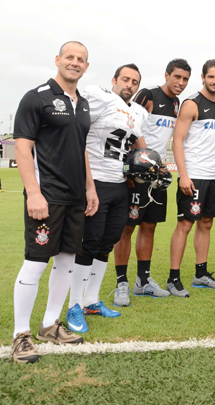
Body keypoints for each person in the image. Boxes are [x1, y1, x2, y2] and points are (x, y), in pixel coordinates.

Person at [11, 41, 96, 363]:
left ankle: (49, 324)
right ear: (58, 60)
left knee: (66, 263)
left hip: (75, 198)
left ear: (86, 67)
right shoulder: (37, 98)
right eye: (70, 57)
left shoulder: (83, 104)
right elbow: (22, 149)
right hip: (47, 197)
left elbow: (82, 149)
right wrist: (33, 193)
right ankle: (21, 335)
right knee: (35, 262)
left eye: (81, 60)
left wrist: (90, 188)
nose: (75, 63)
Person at [65, 64, 148, 333]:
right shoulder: (100, 97)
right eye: (125, 79)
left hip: (120, 184)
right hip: (95, 181)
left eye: (135, 81)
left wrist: (150, 164)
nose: (130, 85)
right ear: (114, 80)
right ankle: (73, 304)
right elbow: (78, 129)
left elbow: (137, 145)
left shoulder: (139, 112)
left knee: (107, 243)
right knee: (88, 244)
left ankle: (91, 300)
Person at [112, 59, 191, 306]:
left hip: (156, 175)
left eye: (185, 79)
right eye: (176, 77)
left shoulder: (177, 103)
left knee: (150, 225)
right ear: (167, 75)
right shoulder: (148, 95)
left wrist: (161, 165)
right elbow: (130, 126)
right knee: (127, 227)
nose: (180, 83)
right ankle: (121, 282)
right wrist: (146, 159)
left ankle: (142, 281)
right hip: (137, 172)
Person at [167, 60, 215, 297]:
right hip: (194, 176)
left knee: (207, 223)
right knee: (185, 224)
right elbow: (177, 140)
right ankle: (173, 279)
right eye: (211, 77)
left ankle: (201, 274)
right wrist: (183, 175)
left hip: (213, 176)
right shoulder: (192, 104)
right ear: (203, 77)